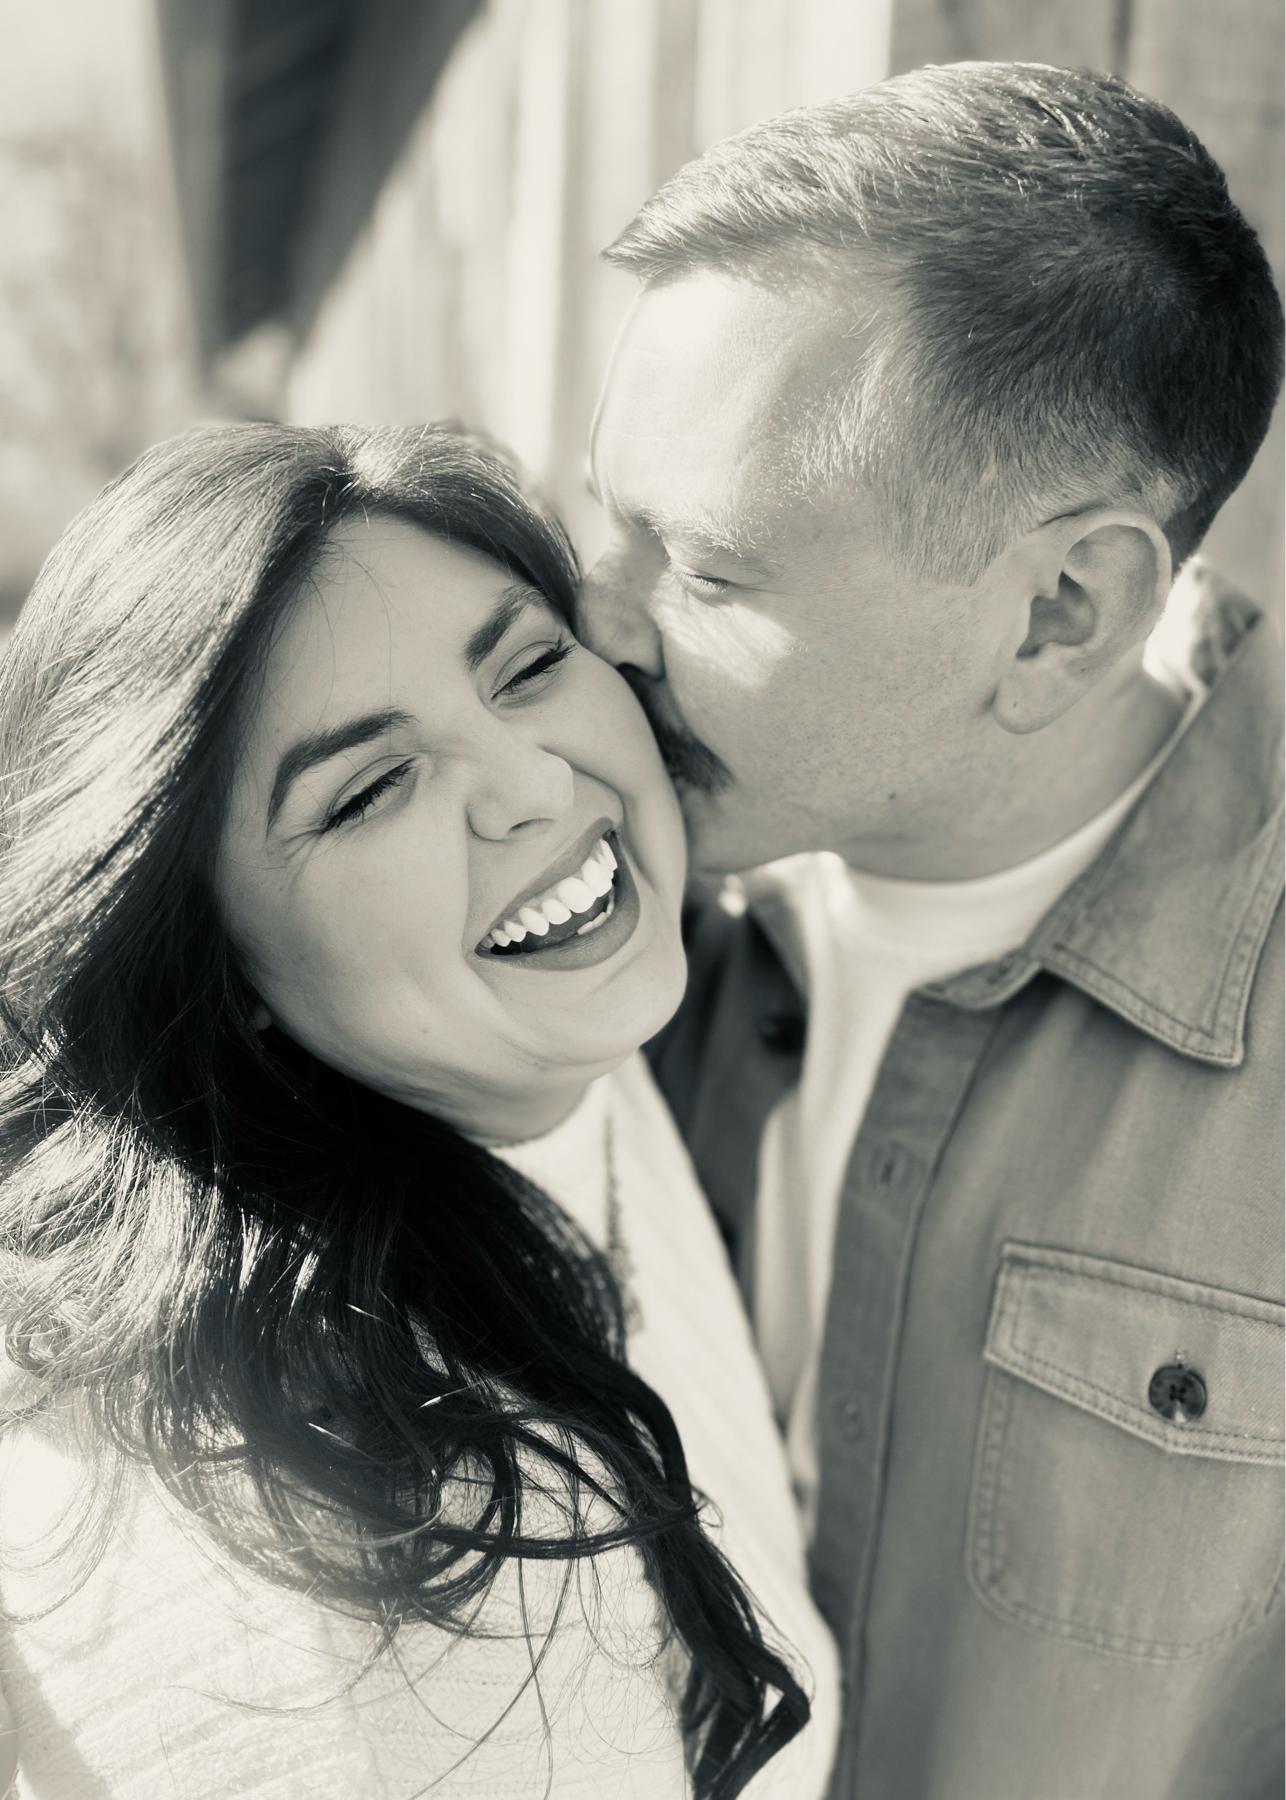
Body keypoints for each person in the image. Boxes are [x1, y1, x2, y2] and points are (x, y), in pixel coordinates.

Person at [582, 61, 1285, 1800]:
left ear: (1059, 614)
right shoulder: (570, 917)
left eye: (707, 568)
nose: (601, 625)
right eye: (611, 524)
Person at [0, 423, 841, 1798]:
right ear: (213, 967)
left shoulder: (561, 1057)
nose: (532, 787)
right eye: (372, 789)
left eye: (527, 667)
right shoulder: (378, 1532)